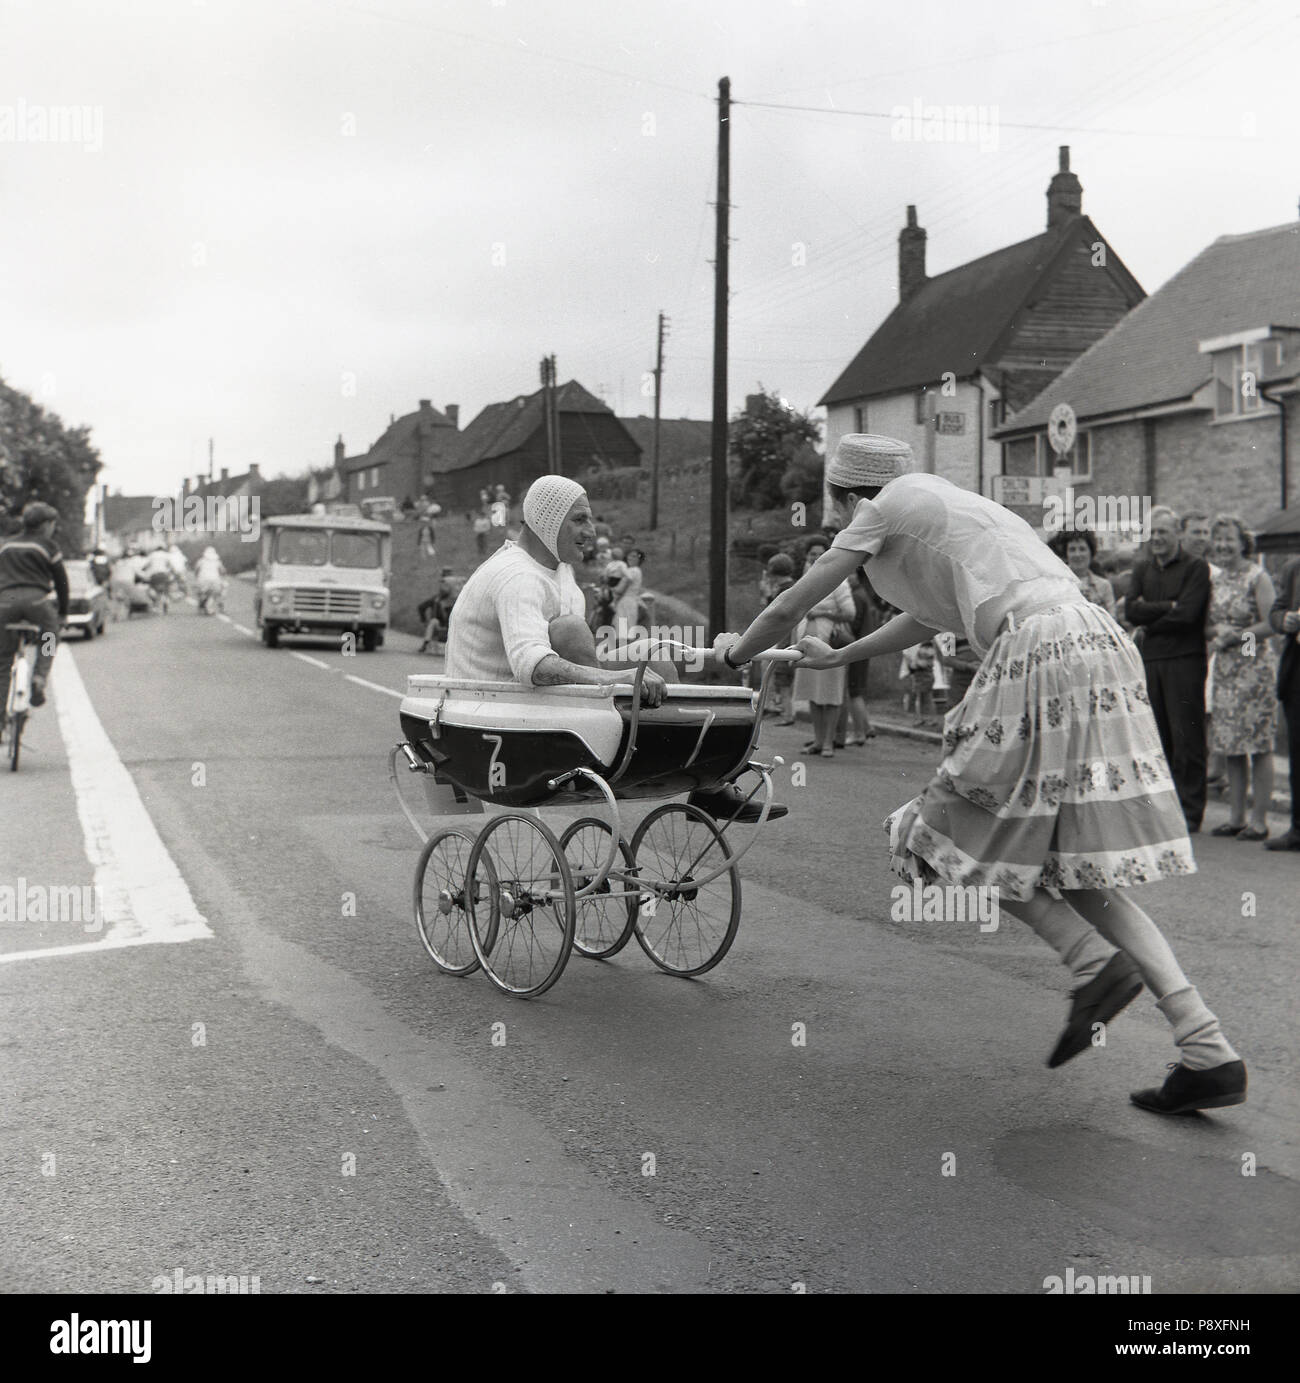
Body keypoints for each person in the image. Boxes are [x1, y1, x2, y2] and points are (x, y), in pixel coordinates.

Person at [714, 434, 1246, 1115]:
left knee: (938, 833)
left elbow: (790, 604)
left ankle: (1090, 964)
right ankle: (1206, 1047)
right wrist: (833, 657)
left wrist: (739, 651)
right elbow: (921, 619)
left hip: (1038, 649)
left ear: (847, 496)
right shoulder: (947, 507)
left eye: (836, 504)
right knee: (1078, 873)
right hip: (1096, 644)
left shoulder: (885, 508)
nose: (837, 520)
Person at [447, 475, 784, 823]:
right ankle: (642, 760)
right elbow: (532, 664)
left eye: (589, 520)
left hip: (529, 702)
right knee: (576, 630)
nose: (591, 532)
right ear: (546, 520)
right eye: (579, 519)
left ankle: (706, 785)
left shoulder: (559, 572)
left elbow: (579, 655)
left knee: (656, 662)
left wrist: (708, 655)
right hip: (489, 711)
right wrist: (616, 677)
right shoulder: (518, 577)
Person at [1125, 507, 1211, 832]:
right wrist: (1166, 608)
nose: (1157, 538)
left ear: (1177, 534)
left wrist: (1151, 617)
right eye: (1153, 532)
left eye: (1163, 531)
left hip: (1185, 660)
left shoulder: (1196, 568)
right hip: (1151, 661)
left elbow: (1188, 615)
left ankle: (1190, 813)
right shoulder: (1141, 569)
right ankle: (1164, 810)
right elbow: (1131, 611)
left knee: (1186, 735)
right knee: (1156, 737)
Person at [1203, 516, 1277, 841]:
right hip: (1227, 671)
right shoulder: (1215, 581)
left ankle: (1259, 821)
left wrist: (1238, 638)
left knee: (1258, 745)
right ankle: (1235, 818)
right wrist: (1217, 632)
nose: (1223, 546)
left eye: (1229, 539)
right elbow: (1205, 625)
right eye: (1218, 540)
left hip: (1255, 669)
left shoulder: (1256, 576)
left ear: (1242, 542)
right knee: (1231, 744)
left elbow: (1271, 623)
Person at [0, 502, 68, 708]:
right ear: (46, 525)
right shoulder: (48, 547)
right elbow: (61, 582)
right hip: (36, 602)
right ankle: (39, 677)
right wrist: (63, 613)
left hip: (5, 603)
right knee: (50, 634)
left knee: (2, 662)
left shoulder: (6, 545)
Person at [791, 542, 853, 757]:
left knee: (831, 696)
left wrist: (821, 613)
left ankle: (828, 742)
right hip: (806, 645)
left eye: (820, 553)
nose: (816, 557)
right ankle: (817, 740)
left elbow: (849, 613)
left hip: (830, 645)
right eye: (812, 554)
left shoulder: (840, 582)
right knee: (812, 695)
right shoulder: (804, 581)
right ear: (808, 557)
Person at [1266, 552, 1300, 850]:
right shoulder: (1293, 568)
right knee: (1297, 755)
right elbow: (1275, 612)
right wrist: (1284, 620)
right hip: (1297, 672)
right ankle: (1297, 829)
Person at [1048, 528, 1116, 617]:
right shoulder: (1057, 585)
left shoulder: (1104, 585)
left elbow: (1111, 619)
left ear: (1091, 552)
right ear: (1066, 554)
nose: (1077, 554)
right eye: (1072, 549)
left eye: (1082, 549)